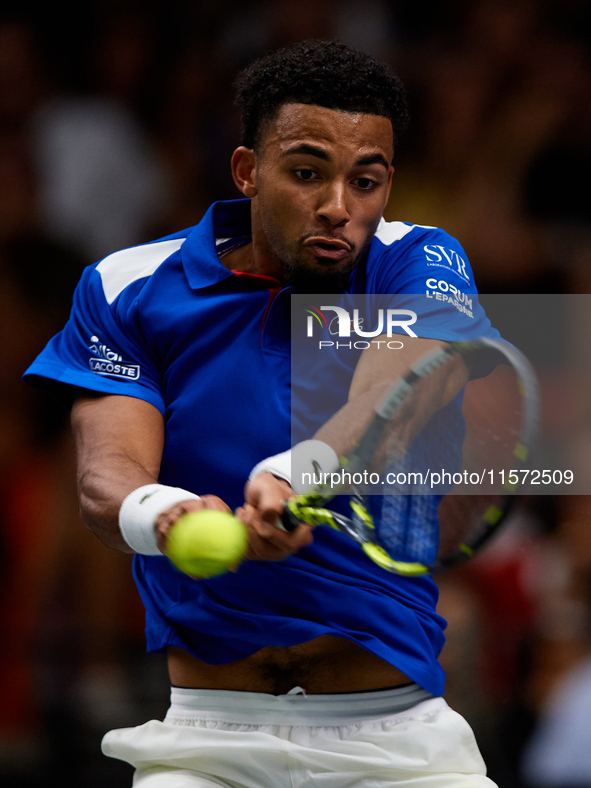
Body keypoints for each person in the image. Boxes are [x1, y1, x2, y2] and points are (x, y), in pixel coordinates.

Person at [25, 40, 499, 787]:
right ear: (248, 170)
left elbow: (397, 391)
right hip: (207, 742)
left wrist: (296, 475)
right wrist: (166, 515)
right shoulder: (129, 285)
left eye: (365, 181)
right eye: (307, 173)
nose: (339, 207)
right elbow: (103, 478)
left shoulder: (416, 259)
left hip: (397, 743)